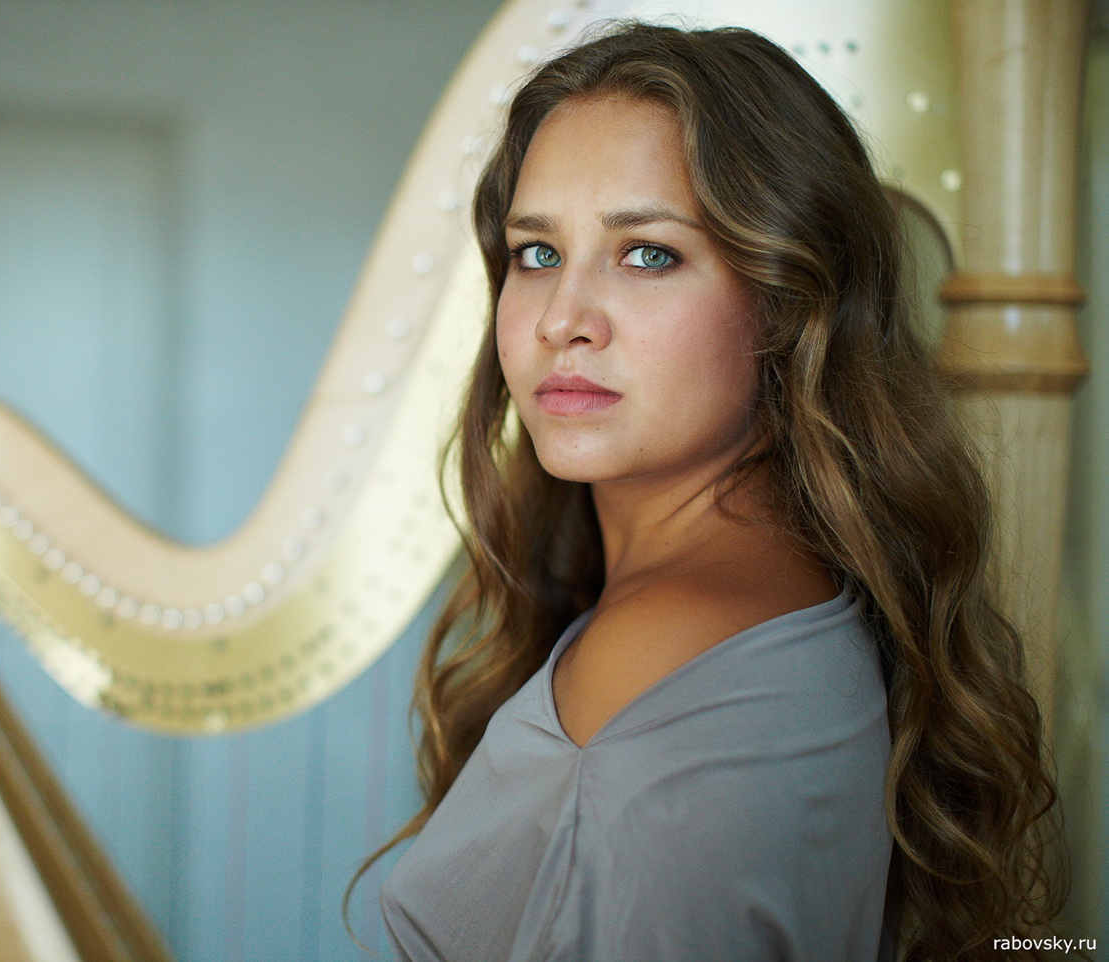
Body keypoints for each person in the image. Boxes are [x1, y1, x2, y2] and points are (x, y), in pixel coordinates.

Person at [365, 19, 1067, 962]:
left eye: (647, 253)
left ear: (788, 300)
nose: (562, 320)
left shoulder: (658, 657)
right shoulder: (793, 598)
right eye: (537, 253)